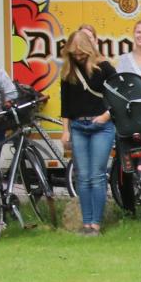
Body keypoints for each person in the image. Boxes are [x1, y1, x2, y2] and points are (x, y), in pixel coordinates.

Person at [59, 29, 116, 236]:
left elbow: (119, 96)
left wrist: (106, 116)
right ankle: (86, 223)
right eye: (74, 54)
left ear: (89, 50)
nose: (78, 57)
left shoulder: (104, 68)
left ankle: (96, 224)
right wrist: (65, 130)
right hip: (78, 126)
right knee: (82, 176)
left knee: (97, 175)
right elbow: (65, 104)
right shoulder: (68, 71)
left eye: (81, 54)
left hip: (101, 126)